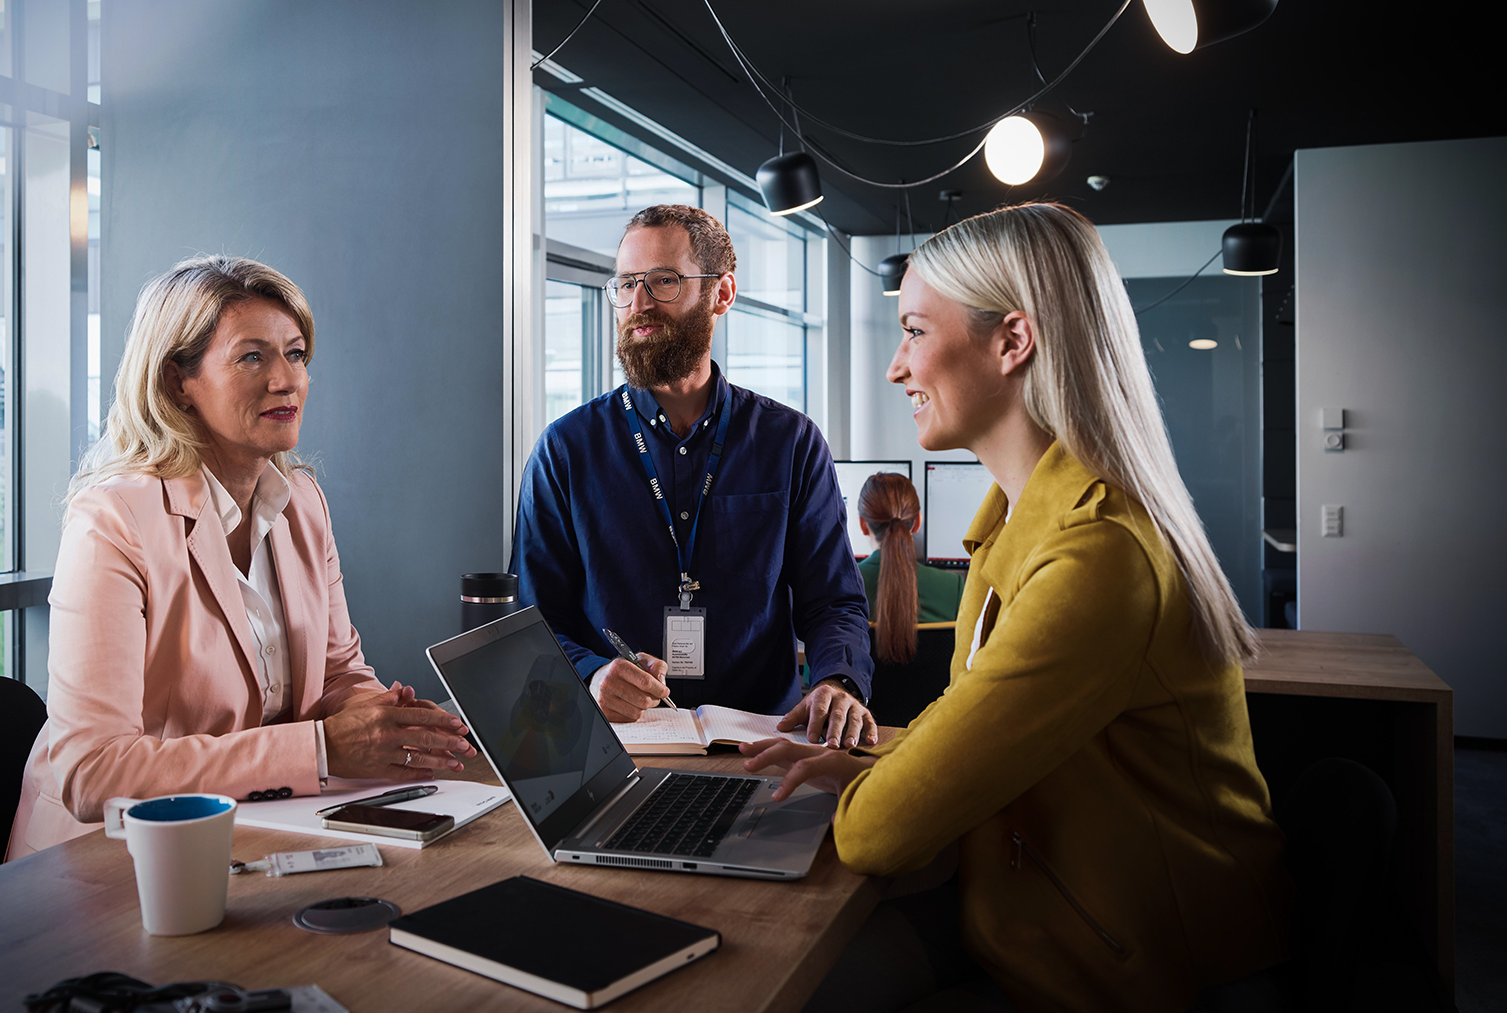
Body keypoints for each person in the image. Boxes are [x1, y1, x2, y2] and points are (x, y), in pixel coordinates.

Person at [739, 203, 1293, 1012]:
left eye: (916, 332)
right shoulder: (1015, 528)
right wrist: (874, 764)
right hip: (1042, 913)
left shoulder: (1096, 557)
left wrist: (865, 792)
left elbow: (875, 833)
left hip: (1148, 967)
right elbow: (968, 717)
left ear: (1012, 341)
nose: (897, 368)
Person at [7, 255, 475, 858]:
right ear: (178, 382)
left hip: (257, 834)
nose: (287, 380)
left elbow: (337, 672)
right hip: (108, 862)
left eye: (297, 353)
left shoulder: (302, 501)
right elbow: (94, 772)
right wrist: (325, 749)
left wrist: (388, 724)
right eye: (252, 356)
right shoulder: (113, 519)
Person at [513, 205, 877, 748]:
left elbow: (833, 601)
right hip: (617, 750)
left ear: (721, 294)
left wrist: (838, 681)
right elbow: (532, 618)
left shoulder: (791, 443)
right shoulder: (565, 451)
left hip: (765, 746)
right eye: (628, 283)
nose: (638, 304)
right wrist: (590, 675)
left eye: (663, 281)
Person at [855, 471, 964, 663]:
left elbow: (815, 675)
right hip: (941, 694)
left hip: (861, 694)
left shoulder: (841, 586)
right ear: (917, 523)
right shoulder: (954, 587)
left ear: (863, 525)